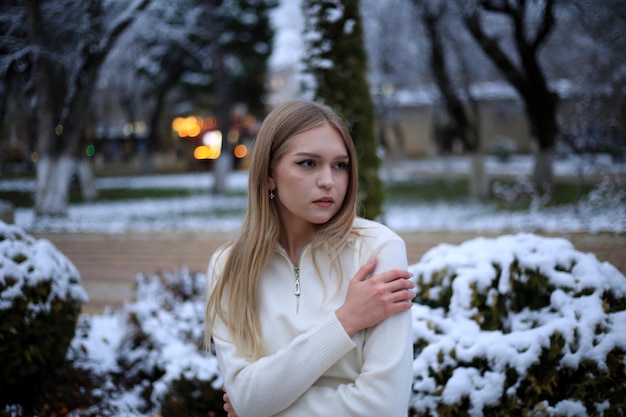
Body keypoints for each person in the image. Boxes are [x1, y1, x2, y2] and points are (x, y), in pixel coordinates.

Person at [205, 100, 415, 417]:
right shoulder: (229, 266)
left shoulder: (378, 250)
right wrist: (345, 321)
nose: (328, 181)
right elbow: (247, 397)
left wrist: (266, 410)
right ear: (269, 174)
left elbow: (385, 407)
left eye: (340, 165)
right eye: (307, 164)